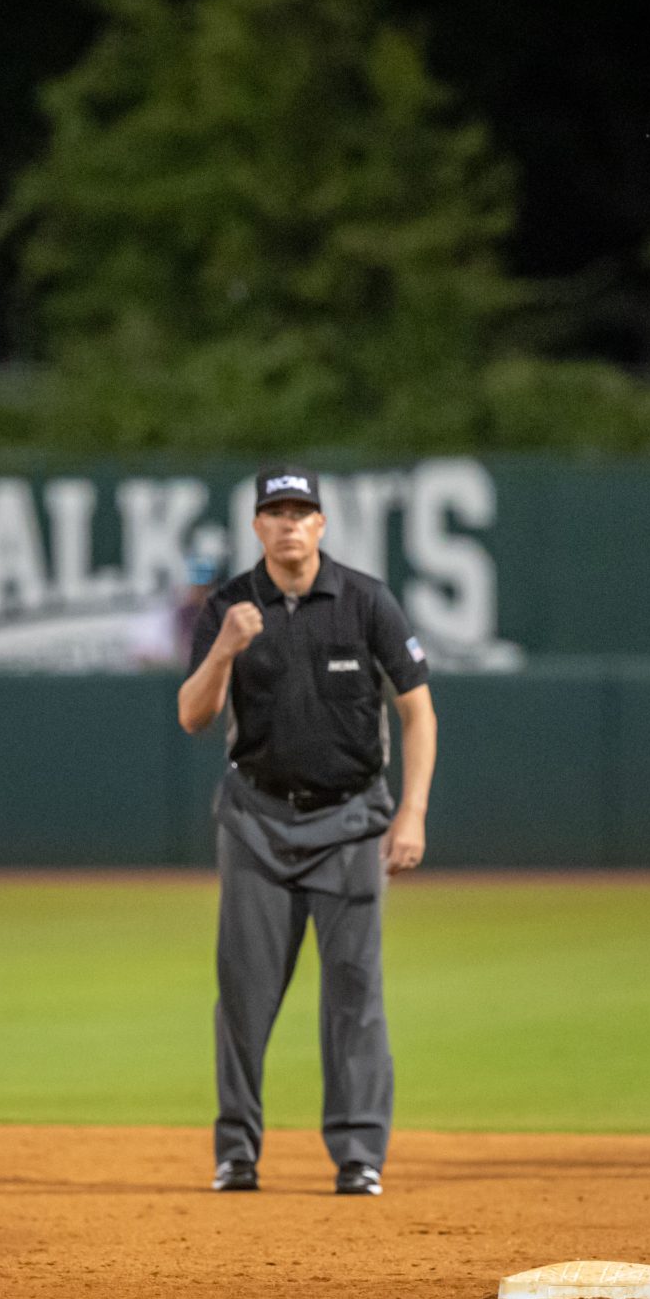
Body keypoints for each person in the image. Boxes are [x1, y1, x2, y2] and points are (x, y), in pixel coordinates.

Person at [177, 466, 437, 1196]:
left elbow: (418, 710)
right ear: (256, 526)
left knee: (355, 990)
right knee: (245, 994)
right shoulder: (229, 605)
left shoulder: (365, 601)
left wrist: (411, 811)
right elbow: (193, 715)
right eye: (275, 512)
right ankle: (237, 1152)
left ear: (321, 524)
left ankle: (359, 1154)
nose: (289, 523)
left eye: (301, 511)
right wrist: (224, 647)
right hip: (258, 819)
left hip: (352, 819)